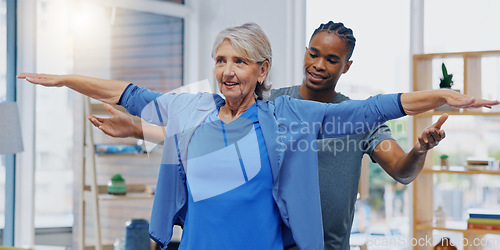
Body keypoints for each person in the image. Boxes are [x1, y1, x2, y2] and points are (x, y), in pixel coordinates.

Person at [18, 22, 498, 250]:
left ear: (261, 69)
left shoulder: (288, 114)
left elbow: (373, 110)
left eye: (239, 61)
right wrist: (66, 79)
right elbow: (129, 91)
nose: (227, 71)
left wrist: (439, 97)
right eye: (221, 60)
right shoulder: (194, 108)